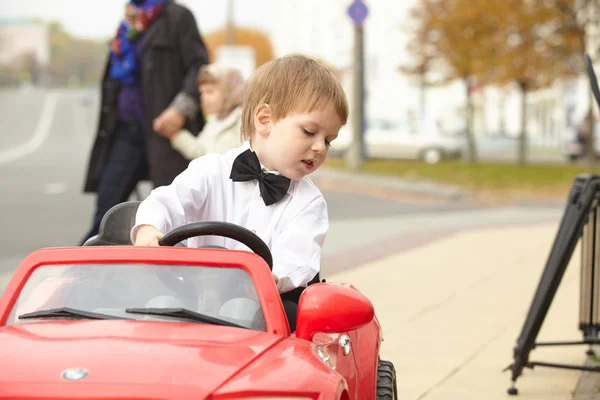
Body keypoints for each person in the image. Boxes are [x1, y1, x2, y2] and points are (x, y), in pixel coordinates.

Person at [131, 54, 349, 331]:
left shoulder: (309, 203)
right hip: (193, 295)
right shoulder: (211, 171)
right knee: (157, 306)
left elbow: (299, 255)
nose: (320, 147)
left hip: (263, 304)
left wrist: (273, 276)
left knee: (241, 312)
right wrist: (150, 228)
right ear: (265, 120)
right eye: (309, 131)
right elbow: (167, 200)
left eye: (328, 140)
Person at [80, 0, 209, 245]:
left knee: (173, 218)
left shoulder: (178, 17)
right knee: (106, 214)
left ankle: (171, 277)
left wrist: (179, 110)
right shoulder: (130, 20)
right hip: (125, 130)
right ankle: (78, 275)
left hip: (165, 134)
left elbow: (198, 67)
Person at [158, 64, 246, 159]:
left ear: (229, 91)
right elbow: (199, 151)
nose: (203, 97)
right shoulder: (213, 122)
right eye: (201, 92)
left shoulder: (243, 121)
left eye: (209, 91)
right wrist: (175, 134)